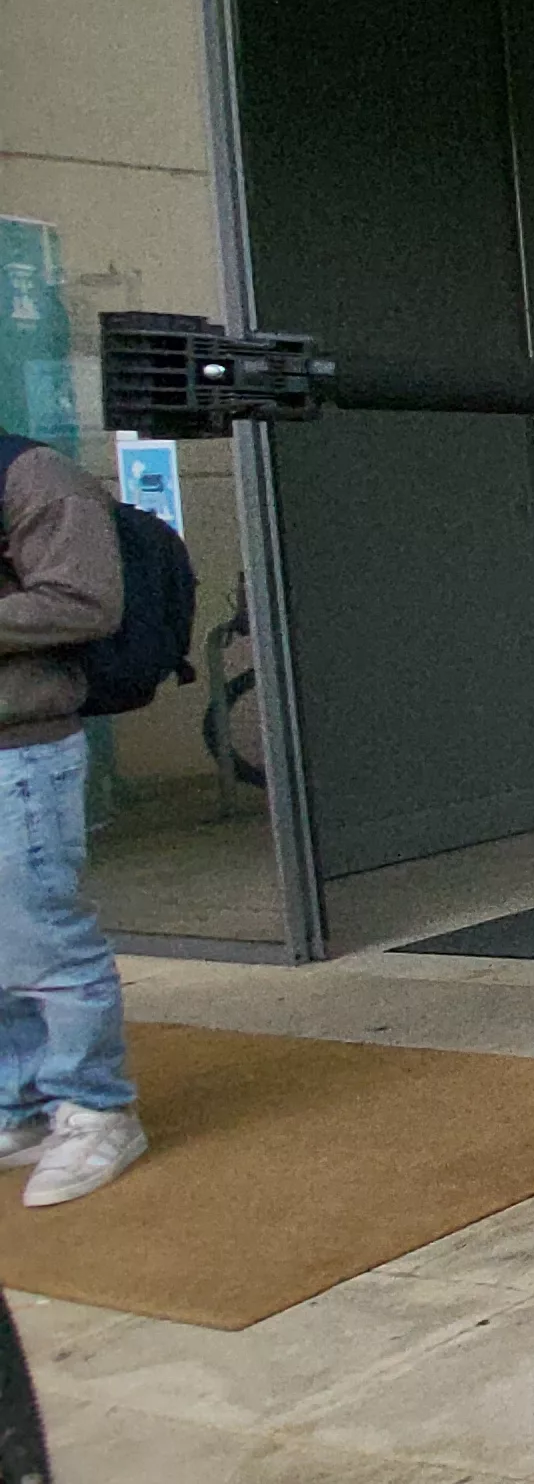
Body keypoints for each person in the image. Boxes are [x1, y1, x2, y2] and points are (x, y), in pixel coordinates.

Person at [0, 430, 136, 1207]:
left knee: (43, 940)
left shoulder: (33, 476)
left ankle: (96, 1109)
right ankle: (20, 1104)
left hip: (20, 748)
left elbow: (84, 597)